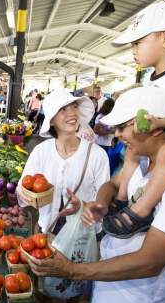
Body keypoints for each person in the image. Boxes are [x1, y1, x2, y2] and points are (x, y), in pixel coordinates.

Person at [29, 86, 165, 303]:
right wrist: (99, 204)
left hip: (142, 299)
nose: (117, 135)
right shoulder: (143, 161)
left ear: (156, 128)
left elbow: (149, 262)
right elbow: (112, 184)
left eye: (122, 127)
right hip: (108, 288)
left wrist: (73, 270)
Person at [104, 1, 165, 237]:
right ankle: (121, 198)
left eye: (138, 43)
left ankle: (142, 210)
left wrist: (161, 122)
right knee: (132, 150)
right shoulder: (150, 78)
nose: (133, 50)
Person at [17, 88, 110, 236]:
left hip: (83, 237)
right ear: (51, 120)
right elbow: (22, 188)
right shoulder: (41, 152)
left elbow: (103, 205)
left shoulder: (97, 155)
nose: (72, 113)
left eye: (74, 107)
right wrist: (25, 194)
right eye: (62, 109)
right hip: (48, 233)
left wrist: (82, 206)